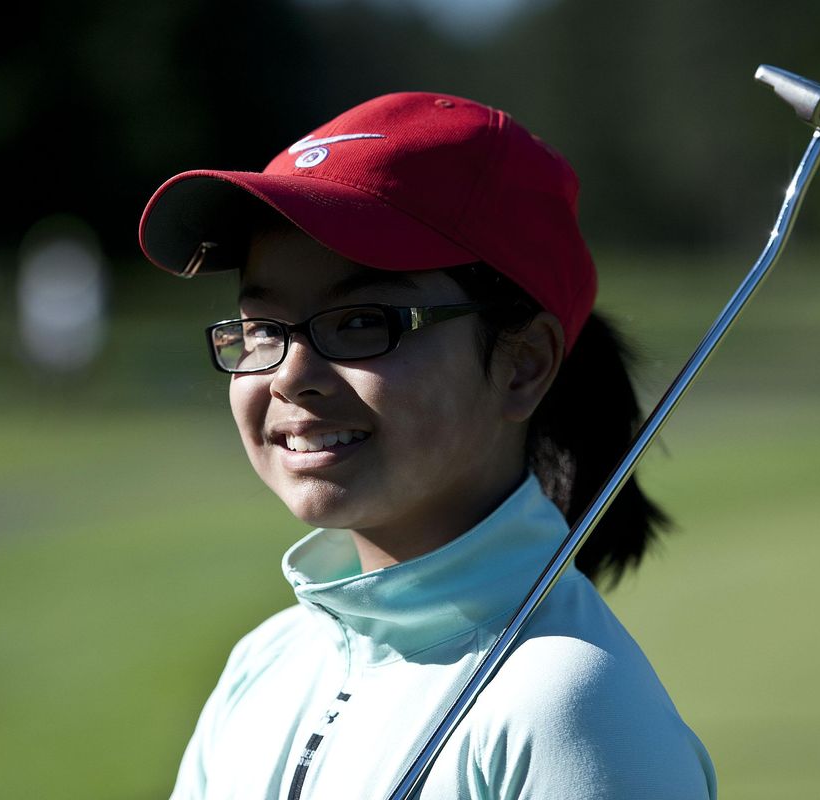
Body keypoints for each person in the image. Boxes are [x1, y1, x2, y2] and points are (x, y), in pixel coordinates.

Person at [139, 91, 716, 799]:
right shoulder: (265, 663)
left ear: (524, 364)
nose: (290, 374)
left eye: (362, 322)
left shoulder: (566, 705)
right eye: (262, 327)